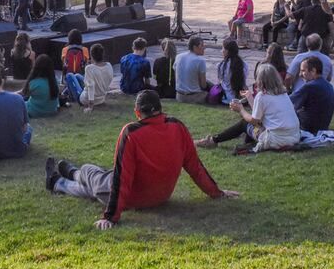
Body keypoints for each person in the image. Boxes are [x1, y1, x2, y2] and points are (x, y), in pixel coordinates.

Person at [46, 90, 238, 229]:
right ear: (161, 110)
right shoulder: (177, 126)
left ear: (137, 112)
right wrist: (216, 192)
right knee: (99, 181)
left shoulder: (131, 132)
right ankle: (59, 181)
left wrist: (111, 217)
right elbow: (195, 166)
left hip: (134, 196)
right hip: (161, 195)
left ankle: (69, 176)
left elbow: (123, 177)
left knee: (90, 172)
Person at [195, 65, 301, 151]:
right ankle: (246, 143)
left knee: (245, 123)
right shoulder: (283, 93)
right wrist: (250, 97)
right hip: (294, 136)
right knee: (252, 125)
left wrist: (241, 110)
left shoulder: (262, 96)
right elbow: (259, 115)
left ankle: (212, 141)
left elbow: (254, 121)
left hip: (277, 140)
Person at [289, 57, 334, 133]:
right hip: (322, 126)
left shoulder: (310, 87)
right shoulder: (328, 85)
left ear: (313, 71)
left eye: (303, 71)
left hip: (307, 127)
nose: (300, 74)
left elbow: (288, 103)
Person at [65, 44, 113, 111]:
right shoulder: (109, 65)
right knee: (77, 76)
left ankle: (68, 97)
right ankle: (65, 94)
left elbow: (91, 87)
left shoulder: (89, 68)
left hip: (85, 100)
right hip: (101, 98)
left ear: (91, 56)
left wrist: (90, 107)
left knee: (69, 75)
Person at [175, 35, 211, 103]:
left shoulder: (178, 56)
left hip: (179, 96)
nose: (204, 48)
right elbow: (203, 85)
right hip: (194, 97)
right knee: (214, 90)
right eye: (202, 45)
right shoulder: (200, 60)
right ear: (195, 47)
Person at [215, 39, 248, 104]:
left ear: (227, 51)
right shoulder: (244, 64)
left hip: (226, 98)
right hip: (240, 97)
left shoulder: (221, 65)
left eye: (223, 48)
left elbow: (220, 81)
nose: (222, 51)